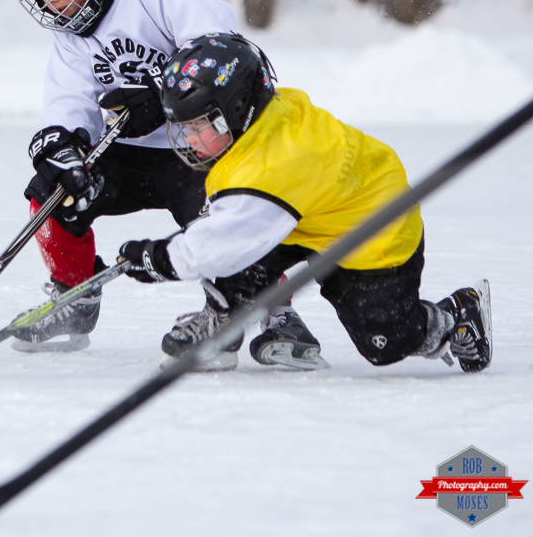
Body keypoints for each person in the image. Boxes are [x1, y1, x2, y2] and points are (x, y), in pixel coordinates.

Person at [3, 0, 324, 367]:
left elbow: (227, 57)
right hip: (128, 154)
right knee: (55, 191)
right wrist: (63, 146)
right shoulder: (69, 37)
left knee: (229, 215)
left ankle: (274, 311)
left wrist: (163, 94)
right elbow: (70, 101)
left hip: (198, 152)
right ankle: (74, 298)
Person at [117, 32, 492, 373]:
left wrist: (157, 258)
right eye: (183, 128)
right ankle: (222, 320)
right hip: (309, 211)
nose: (188, 142)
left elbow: (216, 246)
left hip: (374, 223)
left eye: (199, 127)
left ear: (238, 107)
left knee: (385, 342)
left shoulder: (272, 166)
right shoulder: (259, 123)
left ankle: (456, 316)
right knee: (243, 248)